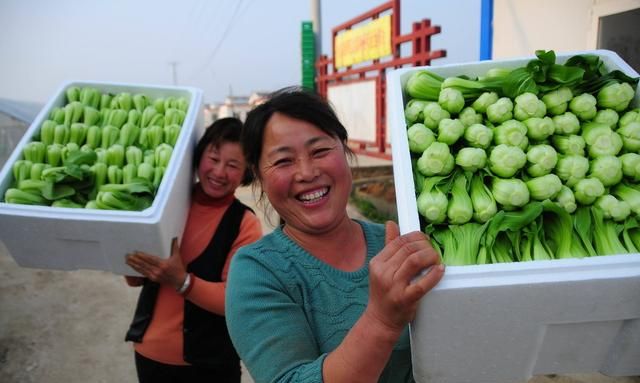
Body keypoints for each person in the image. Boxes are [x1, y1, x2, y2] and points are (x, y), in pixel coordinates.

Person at [225, 87, 445, 383]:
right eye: (283, 161)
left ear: (344, 149)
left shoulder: (398, 243)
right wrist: (382, 320)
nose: (307, 172)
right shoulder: (257, 271)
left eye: (319, 151)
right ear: (259, 177)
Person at [123, 117, 263, 383]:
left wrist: (182, 281)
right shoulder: (162, 205)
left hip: (210, 365)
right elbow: (134, 278)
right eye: (213, 158)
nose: (219, 172)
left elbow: (235, 300)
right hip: (150, 354)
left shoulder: (245, 224)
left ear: (246, 172)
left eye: (233, 165)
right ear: (198, 157)